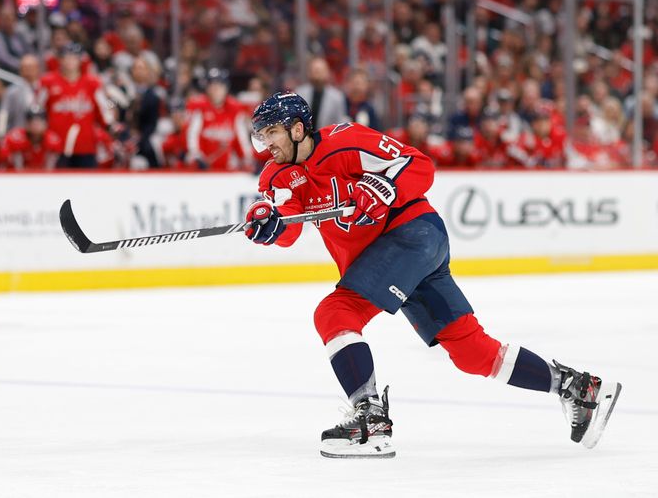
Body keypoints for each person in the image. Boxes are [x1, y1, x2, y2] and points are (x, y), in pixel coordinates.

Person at [243, 92, 622, 458]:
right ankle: (576, 386)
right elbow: (288, 231)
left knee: (335, 313)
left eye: (271, 132)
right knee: (471, 352)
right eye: (260, 135)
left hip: (413, 235)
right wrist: (268, 226)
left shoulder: (347, 140)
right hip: (397, 256)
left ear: (296, 129)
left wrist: (383, 188)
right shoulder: (275, 176)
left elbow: (420, 166)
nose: (265, 143)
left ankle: (370, 419)